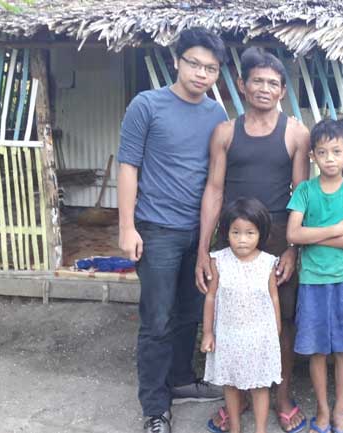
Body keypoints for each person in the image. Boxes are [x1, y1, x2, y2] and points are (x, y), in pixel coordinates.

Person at [117, 28, 228, 433]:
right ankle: (155, 407)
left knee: (189, 313)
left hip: (197, 234)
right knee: (157, 320)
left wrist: (209, 239)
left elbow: (215, 178)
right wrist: (127, 226)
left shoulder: (216, 115)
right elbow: (128, 165)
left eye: (211, 68)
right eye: (195, 64)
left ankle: (181, 380)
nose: (201, 74)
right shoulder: (146, 105)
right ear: (177, 61)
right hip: (157, 229)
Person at [196, 47, 310, 433]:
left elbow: (302, 192)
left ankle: (281, 396)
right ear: (242, 85)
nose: (264, 88)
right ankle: (238, 397)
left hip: (278, 234)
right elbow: (213, 191)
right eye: (257, 81)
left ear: (282, 90)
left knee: (282, 320)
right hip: (232, 238)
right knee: (229, 314)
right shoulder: (226, 132)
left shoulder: (296, 132)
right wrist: (203, 251)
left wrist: (293, 247)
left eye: (273, 83)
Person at [286, 120, 343, 433]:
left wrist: (314, 236)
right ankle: (322, 410)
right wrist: (335, 230)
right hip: (312, 283)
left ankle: (339, 411)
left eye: (336, 151)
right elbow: (293, 233)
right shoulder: (305, 191)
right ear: (313, 157)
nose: (330, 158)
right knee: (318, 350)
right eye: (323, 152)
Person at [201, 198, 282, 433]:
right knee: (231, 384)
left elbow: (274, 297)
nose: (242, 239)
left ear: (261, 233)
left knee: (260, 386)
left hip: (259, 338)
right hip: (228, 336)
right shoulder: (219, 261)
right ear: (226, 233)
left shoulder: (268, 262)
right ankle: (235, 428)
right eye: (236, 232)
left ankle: (260, 429)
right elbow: (211, 297)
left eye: (249, 233)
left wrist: (275, 329)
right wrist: (207, 332)